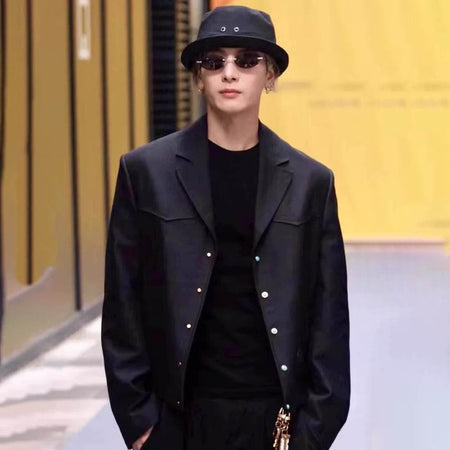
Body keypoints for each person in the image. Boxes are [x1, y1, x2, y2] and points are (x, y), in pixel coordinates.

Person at [101, 5, 350, 450]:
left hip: (278, 420)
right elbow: (123, 307)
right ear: (199, 78)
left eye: (247, 60)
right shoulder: (146, 173)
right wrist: (141, 427)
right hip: (178, 419)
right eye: (214, 62)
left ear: (270, 75)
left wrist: (314, 432)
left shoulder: (311, 182)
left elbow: (329, 318)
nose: (229, 73)